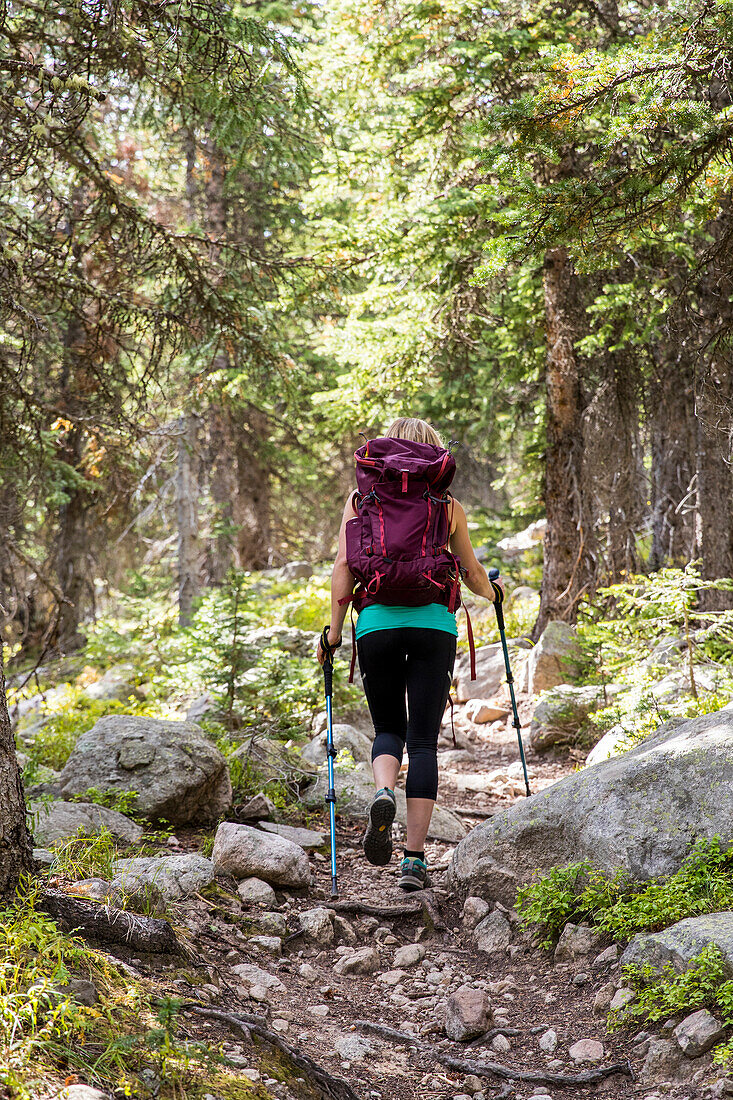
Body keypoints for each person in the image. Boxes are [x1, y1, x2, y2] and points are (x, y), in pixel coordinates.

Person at [317, 417, 503, 891]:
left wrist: (334, 634)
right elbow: (472, 572)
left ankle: (383, 791)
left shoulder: (362, 501)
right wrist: (495, 595)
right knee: (422, 742)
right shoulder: (447, 505)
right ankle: (414, 860)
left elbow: (343, 567)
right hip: (432, 627)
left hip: (376, 625)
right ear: (434, 455)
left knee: (387, 730)